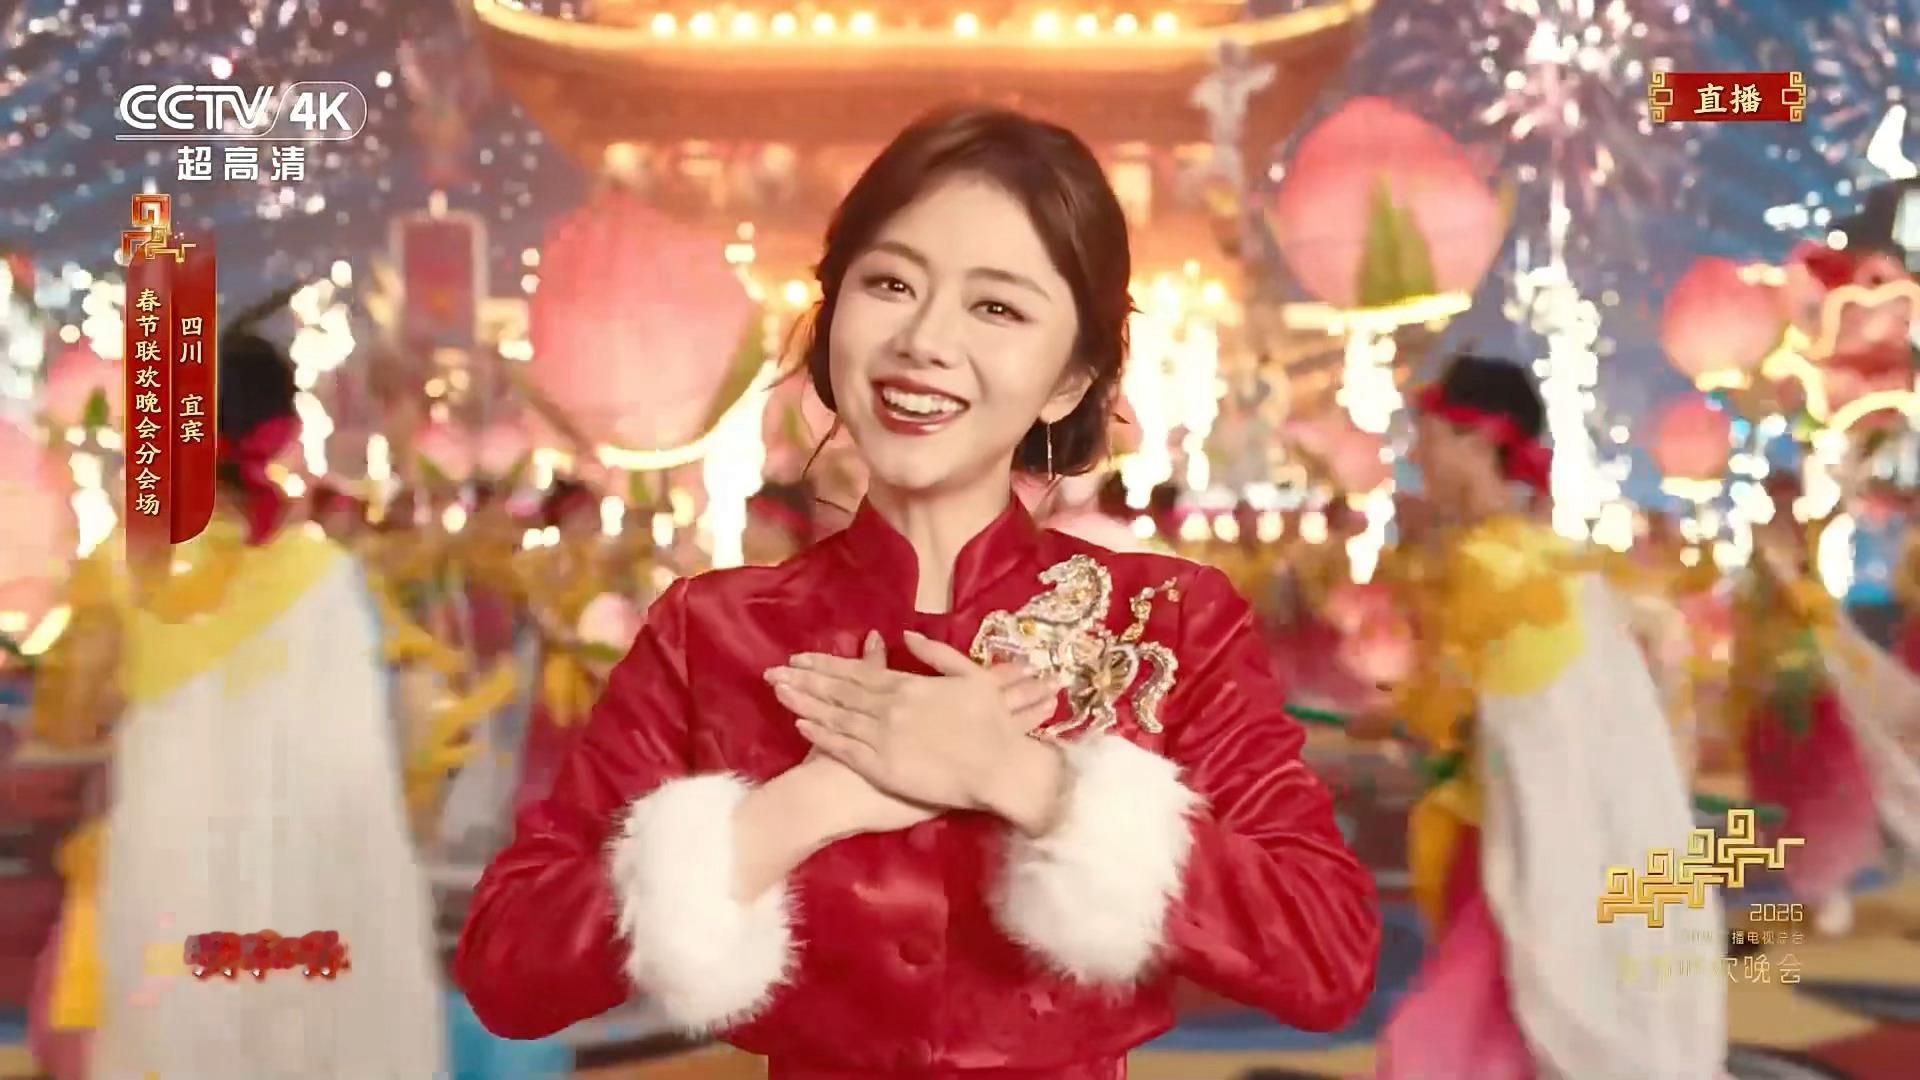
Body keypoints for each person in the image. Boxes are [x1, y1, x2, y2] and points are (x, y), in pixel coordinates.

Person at [457, 106, 1378, 1077]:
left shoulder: (1165, 623)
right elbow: (507, 969)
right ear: (833, 320)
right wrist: (799, 809)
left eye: (998, 308)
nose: (925, 340)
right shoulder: (713, 633)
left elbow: (1328, 956)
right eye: (891, 284)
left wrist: (1025, 781)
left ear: (1069, 380)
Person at [1359, 355, 1725, 1080]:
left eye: (1426, 438)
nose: (1415, 458)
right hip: (1523, 837)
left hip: (1518, 847)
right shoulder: (1552, 559)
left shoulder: (1500, 565)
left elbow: (1485, 715)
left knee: (1447, 1046)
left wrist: (1400, 720)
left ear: (1476, 441)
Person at [91, 330, 446, 1077]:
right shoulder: (328, 580)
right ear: (281, 431)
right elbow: (374, 778)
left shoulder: (127, 576)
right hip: (310, 923)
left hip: (175, 920)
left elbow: (73, 716)